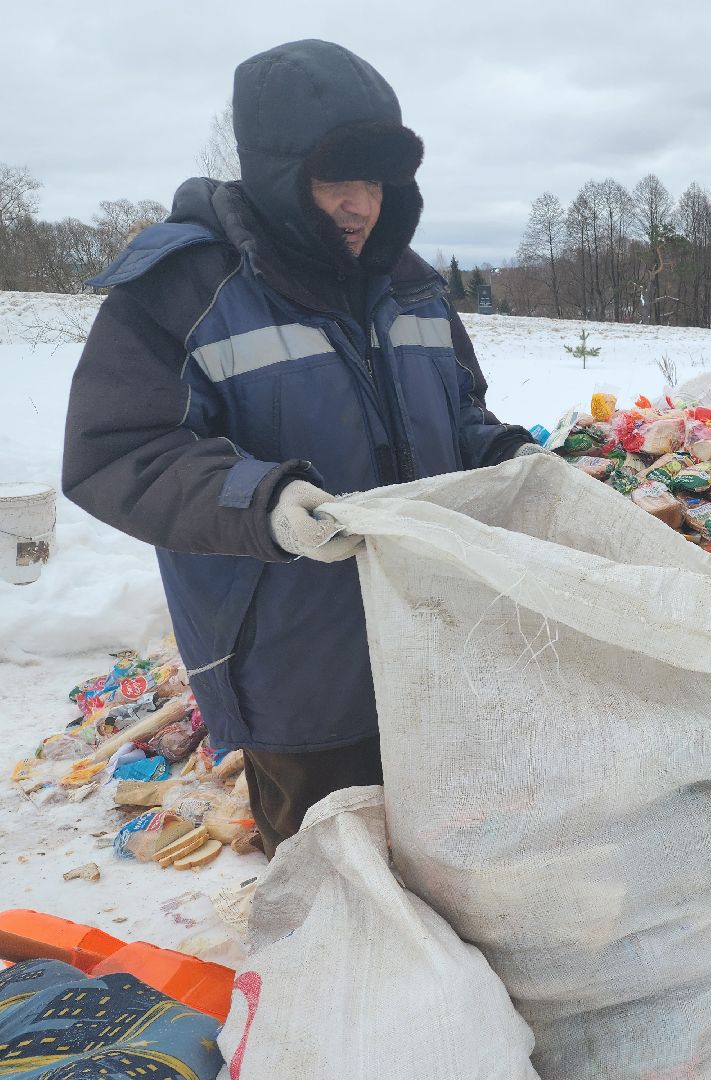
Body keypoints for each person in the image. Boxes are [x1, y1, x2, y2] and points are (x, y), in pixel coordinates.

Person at [62, 39, 538, 858]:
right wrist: (267, 503)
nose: (363, 205)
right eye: (336, 180)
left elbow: (459, 412)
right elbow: (116, 451)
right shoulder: (184, 288)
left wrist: (510, 461)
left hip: (435, 654)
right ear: (276, 171)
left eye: (378, 180)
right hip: (297, 672)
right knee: (334, 900)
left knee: (458, 873)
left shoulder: (414, 286)